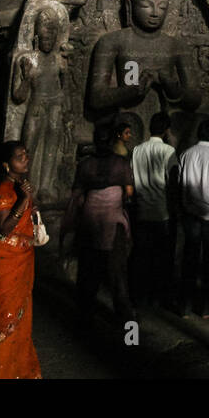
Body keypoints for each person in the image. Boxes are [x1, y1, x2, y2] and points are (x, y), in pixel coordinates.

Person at [0, 142, 42, 378]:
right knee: (5, 319)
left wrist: (28, 207)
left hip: (18, 260)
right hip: (4, 261)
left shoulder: (19, 186)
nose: (25, 158)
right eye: (19, 156)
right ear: (6, 164)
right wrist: (24, 202)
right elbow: (3, 228)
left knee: (17, 318)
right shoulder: (5, 189)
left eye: (26, 154)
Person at [72, 120, 136, 323]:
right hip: (112, 218)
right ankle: (124, 315)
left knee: (88, 268)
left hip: (90, 217)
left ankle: (85, 311)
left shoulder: (85, 165)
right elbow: (129, 192)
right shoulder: (121, 164)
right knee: (117, 271)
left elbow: (77, 194)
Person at [177, 117, 209, 317]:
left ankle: (184, 305)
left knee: (189, 257)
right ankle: (205, 305)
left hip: (190, 211)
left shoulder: (186, 154)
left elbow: (180, 183)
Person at [130, 112, 178, 309]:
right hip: (162, 211)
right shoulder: (168, 152)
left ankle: (140, 297)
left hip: (142, 209)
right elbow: (173, 182)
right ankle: (158, 297)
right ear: (166, 130)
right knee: (162, 257)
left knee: (142, 256)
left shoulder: (137, 150)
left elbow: (132, 179)